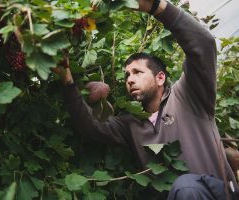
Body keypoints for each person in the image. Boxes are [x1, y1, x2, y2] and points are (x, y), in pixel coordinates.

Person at [57, 0, 239, 199]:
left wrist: (156, 6)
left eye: (137, 72)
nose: (130, 79)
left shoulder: (189, 94)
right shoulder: (130, 123)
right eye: (126, 75)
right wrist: (66, 78)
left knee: (186, 185)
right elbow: (89, 127)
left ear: (160, 77)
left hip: (216, 194)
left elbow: (203, 44)